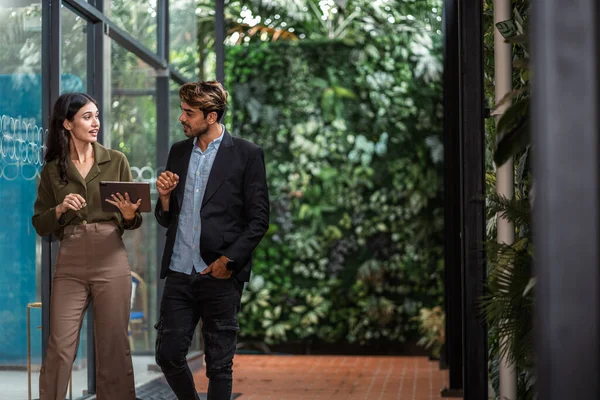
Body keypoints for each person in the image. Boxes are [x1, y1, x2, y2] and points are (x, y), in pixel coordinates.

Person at [154, 80, 269, 400]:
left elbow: (259, 220)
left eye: (189, 113)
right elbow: (166, 218)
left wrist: (228, 262)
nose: (182, 118)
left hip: (220, 274)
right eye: (182, 111)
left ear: (211, 116)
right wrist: (164, 197)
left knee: (219, 364)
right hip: (179, 271)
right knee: (168, 355)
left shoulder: (246, 154)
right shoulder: (178, 152)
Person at [32, 92, 143, 400]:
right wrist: (59, 210)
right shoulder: (53, 170)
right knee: (60, 346)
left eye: (96, 116)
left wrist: (130, 215)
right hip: (71, 259)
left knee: (113, 345)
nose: (96, 123)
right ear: (67, 124)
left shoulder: (116, 161)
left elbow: (133, 222)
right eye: (87, 117)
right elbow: (40, 223)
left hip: (111, 256)